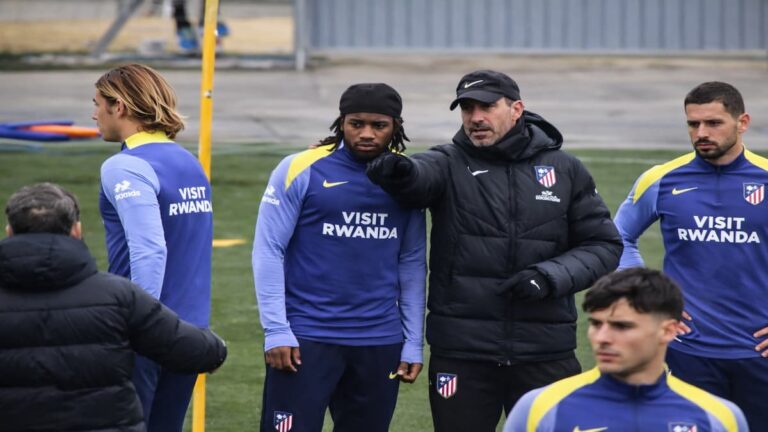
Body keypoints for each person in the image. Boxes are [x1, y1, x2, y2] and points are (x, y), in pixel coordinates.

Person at [366, 69, 623, 431]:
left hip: (544, 352)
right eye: (467, 108)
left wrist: (548, 278)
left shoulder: (565, 169)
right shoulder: (447, 162)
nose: (475, 118)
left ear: (516, 109)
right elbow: (419, 177)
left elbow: (604, 244)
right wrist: (398, 171)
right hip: (463, 354)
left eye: (486, 107)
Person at [252, 83, 426, 432]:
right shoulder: (299, 168)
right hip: (305, 338)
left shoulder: (407, 177)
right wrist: (276, 330)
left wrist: (412, 343)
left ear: (395, 126)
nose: (366, 134)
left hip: (379, 341)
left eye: (379, 125)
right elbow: (268, 249)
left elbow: (411, 261)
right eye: (356, 124)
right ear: (341, 122)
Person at [0, 183, 227, 432]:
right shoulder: (118, 296)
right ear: (76, 231)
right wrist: (216, 349)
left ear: (9, 231)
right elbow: (195, 350)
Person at [613, 81, 768, 429]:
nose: (701, 133)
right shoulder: (661, 180)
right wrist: (646, 297)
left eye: (713, 123)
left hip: (759, 354)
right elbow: (617, 237)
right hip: (686, 350)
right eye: (693, 124)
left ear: (742, 122)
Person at [94, 63, 214, 432]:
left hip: (146, 333)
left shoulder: (124, 166)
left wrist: (140, 324)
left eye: (97, 104)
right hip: (191, 331)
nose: (94, 114)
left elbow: (150, 250)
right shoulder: (189, 162)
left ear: (119, 107)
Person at [504, 268, 748, 431]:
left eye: (622, 326)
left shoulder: (717, 417)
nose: (602, 338)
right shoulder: (540, 408)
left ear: (668, 330)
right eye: (596, 324)